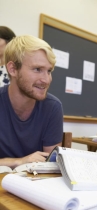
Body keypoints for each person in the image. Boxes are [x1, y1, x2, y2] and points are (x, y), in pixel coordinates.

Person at [0, 35, 63, 168]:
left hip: (33, 183)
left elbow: (52, 166)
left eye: (49, 71)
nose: (46, 80)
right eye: (37, 69)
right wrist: (19, 161)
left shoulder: (52, 107)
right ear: (12, 69)